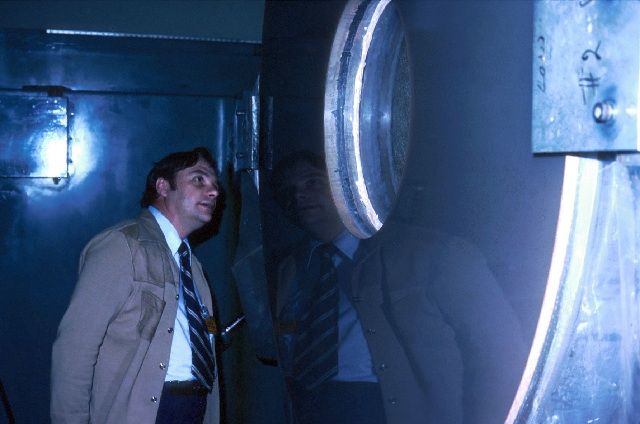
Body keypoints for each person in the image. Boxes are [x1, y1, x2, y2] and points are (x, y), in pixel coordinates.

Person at [270, 151, 526, 424]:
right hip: (309, 406)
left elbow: (500, 354)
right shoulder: (290, 267)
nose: (299, 197)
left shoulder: (433, 253)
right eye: (288, 191)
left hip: (388, 407)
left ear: (344, 183)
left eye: (312, 182)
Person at [51, 147, 222, 424]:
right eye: (199, 180)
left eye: (215, 185)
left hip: (191, 407)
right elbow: (74, 349)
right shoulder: (122, 246)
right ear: (163, 186)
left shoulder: (191, 265)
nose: (214, 192)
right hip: (146, 411)